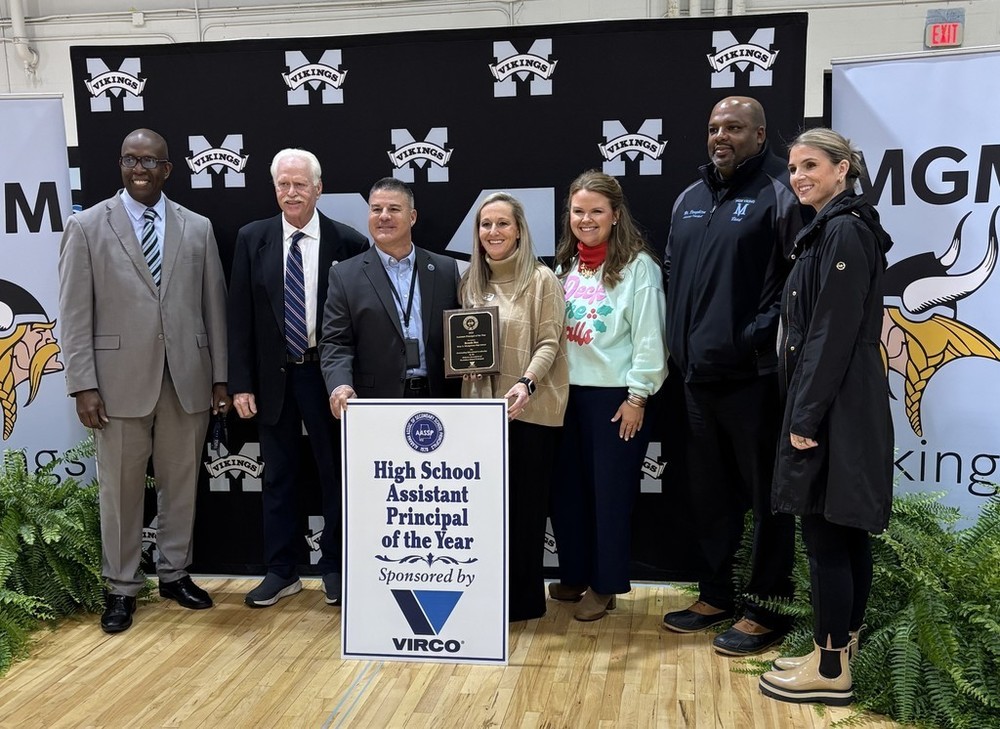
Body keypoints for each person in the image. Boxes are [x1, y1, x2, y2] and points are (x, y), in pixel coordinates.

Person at [58, 128, 229, 634]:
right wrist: (82, 384)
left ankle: (175, 574)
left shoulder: (197, 227)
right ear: (120, 164)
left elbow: (213, 306)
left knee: (181, 487)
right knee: (120, 491)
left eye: (151, 161)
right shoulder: (87, 226)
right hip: (116, 386)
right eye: (131, 159)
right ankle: (121, 587)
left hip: (187, 382)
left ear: (167, 169)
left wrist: (220, 376)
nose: (140, 169)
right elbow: (73, 314)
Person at [661, 96, 804, 655]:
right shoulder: (690, 198)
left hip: (753, 377)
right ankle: (716, 594)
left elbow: (798, 280)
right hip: (696, 377)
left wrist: (751, 336)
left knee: (766, 497)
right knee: (709, 495)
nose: (722, 136)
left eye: (735, 128)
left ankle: (767, 609)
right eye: (715, 126)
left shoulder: (780, 190)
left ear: (761, 134)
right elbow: (674, 271)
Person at [758, 128, 893, 706]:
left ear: (843, 170)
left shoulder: (841, 229)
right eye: (792, 168)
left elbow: (829, 335)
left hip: (834, 403)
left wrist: (805, 416)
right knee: (842, 528)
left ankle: (831, 666)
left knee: (825, 534)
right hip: (841, 398)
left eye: (811, 165)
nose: (798, 176)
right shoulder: (833, 228)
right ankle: (836, 650)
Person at [228, 148, 368, 608]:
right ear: (275, 189)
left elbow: (357, 324)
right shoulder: (253, 238)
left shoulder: (346, 241)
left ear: (318, 188)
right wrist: (240, 382)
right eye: (283, 184)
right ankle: (281, 570)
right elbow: (240, 317)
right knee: (279, 477)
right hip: (272, 379)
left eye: (300, 184)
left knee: (336, 475)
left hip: (326, 377)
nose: (291, 193)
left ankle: (336, 568)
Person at [548, 170, 666, 622]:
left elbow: (651, 339)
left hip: (616, 398)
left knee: (609, 496)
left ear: (616, 215)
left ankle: (606, 584)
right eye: (578, 211)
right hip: (565, 397)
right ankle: (575, 574)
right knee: (568, 494)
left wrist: (637, 397)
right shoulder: (564, 267)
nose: (586, 219)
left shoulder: (640, 268)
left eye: (596, 211)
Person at [459, 192, 569, 621]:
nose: (494, 232)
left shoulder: (543, 280)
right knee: (487, 509)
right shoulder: (470, 281)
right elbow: (463, 345)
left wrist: (527, 382)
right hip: (482, 414)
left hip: (530, 411)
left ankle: (522, 603)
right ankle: (489, 598)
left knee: (525, 510)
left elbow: (550, 341)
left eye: (503, 223)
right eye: (486, 224)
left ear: (520, 230)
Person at [320, 177, 460, 413]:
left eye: (394, 209)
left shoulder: (445, 269)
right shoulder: (344, 275)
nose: (384, 216)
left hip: (440, 398)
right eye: (376, 209)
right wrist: (340, 385)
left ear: (412, 217)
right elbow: (336, 342)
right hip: (375, 402)